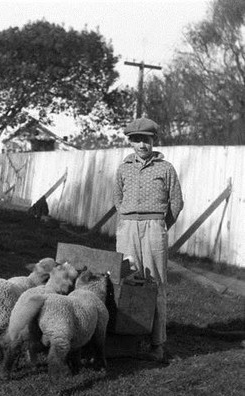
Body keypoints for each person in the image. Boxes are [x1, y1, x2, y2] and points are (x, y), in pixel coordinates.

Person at [113, 117, 184, 362]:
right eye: (137, 140)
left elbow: (176, 203)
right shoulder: (123, 168)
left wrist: (161, 225)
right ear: (131, 142)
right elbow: (117, 199)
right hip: (128, 228)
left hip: (154, 228)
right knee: (125, 280)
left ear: (154, 141)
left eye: (147, 140)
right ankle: (125, 340)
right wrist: (126, 220)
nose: (142, 145)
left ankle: (157, 344)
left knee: (155, 283)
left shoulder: (165, 168)